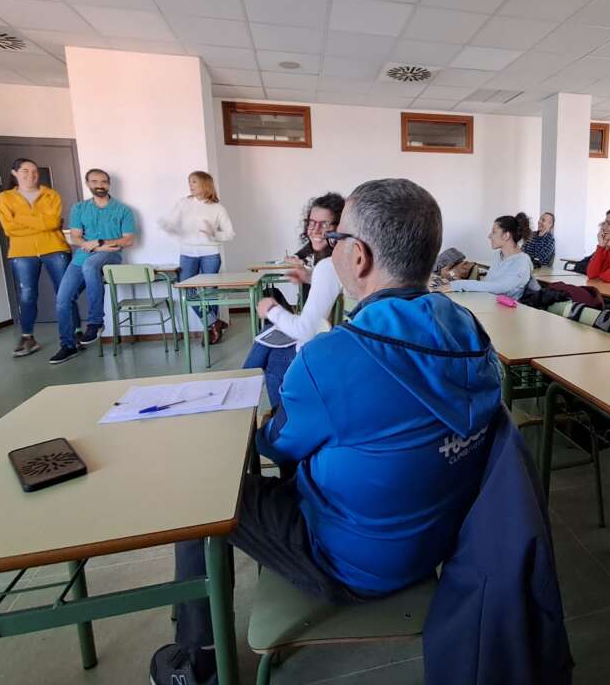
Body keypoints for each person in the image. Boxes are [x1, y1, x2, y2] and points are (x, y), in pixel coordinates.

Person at [151, 178, 503, 684]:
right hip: (439, 544)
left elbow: (276, 445)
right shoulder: (469, 331)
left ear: (358, 256)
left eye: (335, 238)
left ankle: (195, 661)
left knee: (202, 497)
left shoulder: (332, 357)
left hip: (350, 563)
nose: (328, 245)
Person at [242, 192, 345, 408]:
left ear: (340, 227)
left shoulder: (328, 265)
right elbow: (331, 281)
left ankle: (270, 412)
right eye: (311, 223)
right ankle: (244, 397)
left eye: (324, 224)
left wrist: (271, 308)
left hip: (325, 347)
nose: (315, 230)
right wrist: (309, 276)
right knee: (266, 338)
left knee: (270, 352)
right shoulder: (338, 260)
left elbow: (306, 330)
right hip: (332, 338)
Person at [49, 168, 136, 365]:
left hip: (110, 255)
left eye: (104, 181)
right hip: (81, 257)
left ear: (109, 184)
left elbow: (129, 240)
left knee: (90, 265)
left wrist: (100, 242)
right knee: (62, 299)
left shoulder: (123, 210)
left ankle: (96, 322)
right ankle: (68, 345)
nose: (100, 185)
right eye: (95, 181)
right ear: (88, 184)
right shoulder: (79, 208)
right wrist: (94, 246)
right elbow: (76, 237)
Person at [0, 158, 77, 358]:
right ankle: (28, 338)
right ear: (15, 173)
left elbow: (53, 223)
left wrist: (21, 218)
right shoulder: (5, 198)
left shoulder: (51, 195)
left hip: (54, 247)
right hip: (22, 252)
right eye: (25, 170)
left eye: (34, 171)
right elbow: (9, 228)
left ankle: (75, 333)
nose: (31, 175)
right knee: (27, 295)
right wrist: (40, 223)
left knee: (65, 292)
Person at [158, 171, 235, 344]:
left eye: (194, 182)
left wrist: (213, 234)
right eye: (189, 182)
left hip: (210, 254)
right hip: (187, 254)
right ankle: (213, 322)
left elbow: (230, 234)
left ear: (205, 185)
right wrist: (167, 226)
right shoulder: (183, 203)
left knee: (210, 292)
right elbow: (172, 223)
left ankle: (211, 331)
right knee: (187, 289)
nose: (190, 185)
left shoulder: (218, 208)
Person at [440, 212, 539, 300]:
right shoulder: (498, 255)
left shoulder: (522, 262)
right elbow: (487, 284)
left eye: (494, 232)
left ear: (506, 236)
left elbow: (499, 287)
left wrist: (458, 285)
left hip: (505, 311)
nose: (489, 236)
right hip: (488, 302)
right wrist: (454, 281)